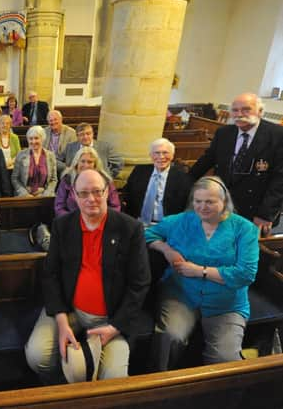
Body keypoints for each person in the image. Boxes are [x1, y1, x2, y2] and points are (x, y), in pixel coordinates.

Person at [25, 169, 151, 383]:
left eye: (96, 192)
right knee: (38, 357)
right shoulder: (63, 225)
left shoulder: (130, 228)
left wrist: (114, 328)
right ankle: (63, 387)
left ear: (107, 192)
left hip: (110, 318)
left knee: (114, 380)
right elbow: (51, 274)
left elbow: (140, 283)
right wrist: (62, 322)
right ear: (74, 194)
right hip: (69, 310)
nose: (91, 199)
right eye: (83, 193)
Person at [145, 176, 258, 370]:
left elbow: (246, 274)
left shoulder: (244, 228)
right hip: (181, 296)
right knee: (170, 340)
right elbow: (147, 233)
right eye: (198, 201)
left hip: (225, 304)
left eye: (210, 202)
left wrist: (200, 271)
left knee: (225, 360)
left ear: (224, 202)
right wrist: (167, 249)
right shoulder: (181, 220)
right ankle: (161, 390)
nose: (202, 207)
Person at [190, 92, 283, 237]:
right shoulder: (224, 133)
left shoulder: (278, 135)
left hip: (255, 212)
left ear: (260, 111)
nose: (239, 114)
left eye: (246, 109)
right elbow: (205, 162)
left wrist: (266, 214)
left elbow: (280, 179)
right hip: (223, 205)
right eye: (235, 110)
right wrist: (180, 182)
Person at [123, 138, 192, 226]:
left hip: (167, 225)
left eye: (165, 153)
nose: (161, 157)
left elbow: (186, 204)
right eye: (157, 153)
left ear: (172, 155)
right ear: (151, 155)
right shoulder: (139, 171)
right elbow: (127, 193)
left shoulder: (182, 177)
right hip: (138, 222)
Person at [55, 147, 121, 217]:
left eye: (90, 162)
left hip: (99, 222)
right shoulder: (67, 180)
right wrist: (73, 221)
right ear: (77, 163)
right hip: (72, 223)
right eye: (83, 161)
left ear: (95, 165)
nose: (86, 165)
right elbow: (59, 206)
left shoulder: (105, 180)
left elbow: (115, 206)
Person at [12, 125, 58, 197]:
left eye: (36, 138)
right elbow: (15, 178)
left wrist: (45, 194)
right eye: (31, 139)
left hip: (45, 195)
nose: (33, 141)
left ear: (42, 139)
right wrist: (25, 194)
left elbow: (53, 179)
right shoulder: (21, 155)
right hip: (24, 194)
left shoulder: (50, 156)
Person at [43, 110, 77, 175]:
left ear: (61, 119)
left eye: (55, 119)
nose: (53, 122)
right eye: (50, 120)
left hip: (63, 164)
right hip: (46, 163)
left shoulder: (71, 133)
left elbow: (72, 156)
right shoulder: (44, 132)